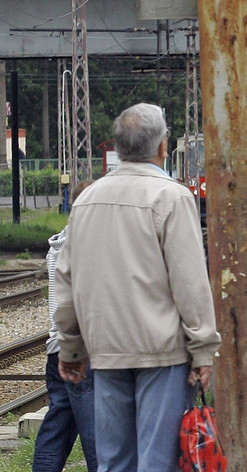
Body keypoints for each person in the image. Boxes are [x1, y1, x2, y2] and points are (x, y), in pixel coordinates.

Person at [54, 103, 220, 470]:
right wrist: (203, 349)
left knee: (113, 460)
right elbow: (189, 282)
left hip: (107, 348)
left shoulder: (86, 200)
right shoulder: (172, 197)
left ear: (117, 147)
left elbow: (66, 280)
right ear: (163, 147)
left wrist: (71, 346)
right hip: (162, 351)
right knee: (156, 460)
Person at [33, 180, 97, 472]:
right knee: (96, 434)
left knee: (57, 428)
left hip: (54, 348)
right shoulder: (89, 244)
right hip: (78, 350)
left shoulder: (57, 243)